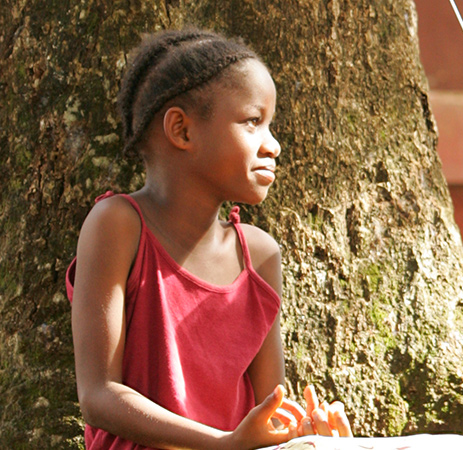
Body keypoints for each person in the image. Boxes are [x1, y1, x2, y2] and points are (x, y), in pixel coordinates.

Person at [67, 29, 352, 449]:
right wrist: (222, 443)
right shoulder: (118, 225)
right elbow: (98, 396)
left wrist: (307, 435)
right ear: (182, 130)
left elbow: (269, 415)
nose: (273, 145)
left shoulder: (258, 254)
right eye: (253, 122)